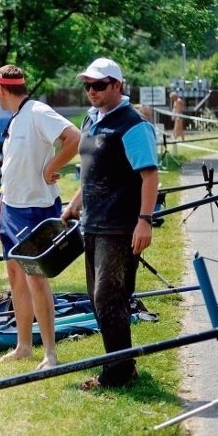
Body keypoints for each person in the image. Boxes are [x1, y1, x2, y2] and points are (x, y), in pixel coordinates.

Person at [61, 58, 159, 389]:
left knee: (109, 297)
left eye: (99, 85)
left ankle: (115, 375)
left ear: (118, 85)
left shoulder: (133, 124)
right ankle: (123, 366)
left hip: (120, 226)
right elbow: (91, 172)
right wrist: (75, 203)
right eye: (87, 85)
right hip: (93, 223)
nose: (92, 91)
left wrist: (144, 220)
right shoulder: (90, 120)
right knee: (99, 299)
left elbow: (149, 175)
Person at [0, 65, 81, 371]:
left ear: (1, 89)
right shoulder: (14, 120)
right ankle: (23, 346)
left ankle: (50, 352)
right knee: (15, 277)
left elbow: (74, 138)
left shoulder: (38, 111)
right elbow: (12, 171)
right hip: (11, 210)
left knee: (36, 279)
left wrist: (51, 166)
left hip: (36, 210)